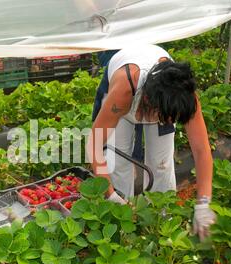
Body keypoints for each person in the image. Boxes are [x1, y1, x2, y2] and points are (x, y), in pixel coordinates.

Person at [86, 44, 216, 241]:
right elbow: (94, 144)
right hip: (128, 91)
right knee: (118, 162)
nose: (168, 123)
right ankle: (121, 223)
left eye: (172, 119)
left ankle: (162, 226)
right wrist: (109, 194)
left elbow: (201, 150)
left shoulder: (183, 96)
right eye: (163, 117)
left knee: (161, 165)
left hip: (160, 97)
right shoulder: (123, 92)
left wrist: (204, 203)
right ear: (148, 101)